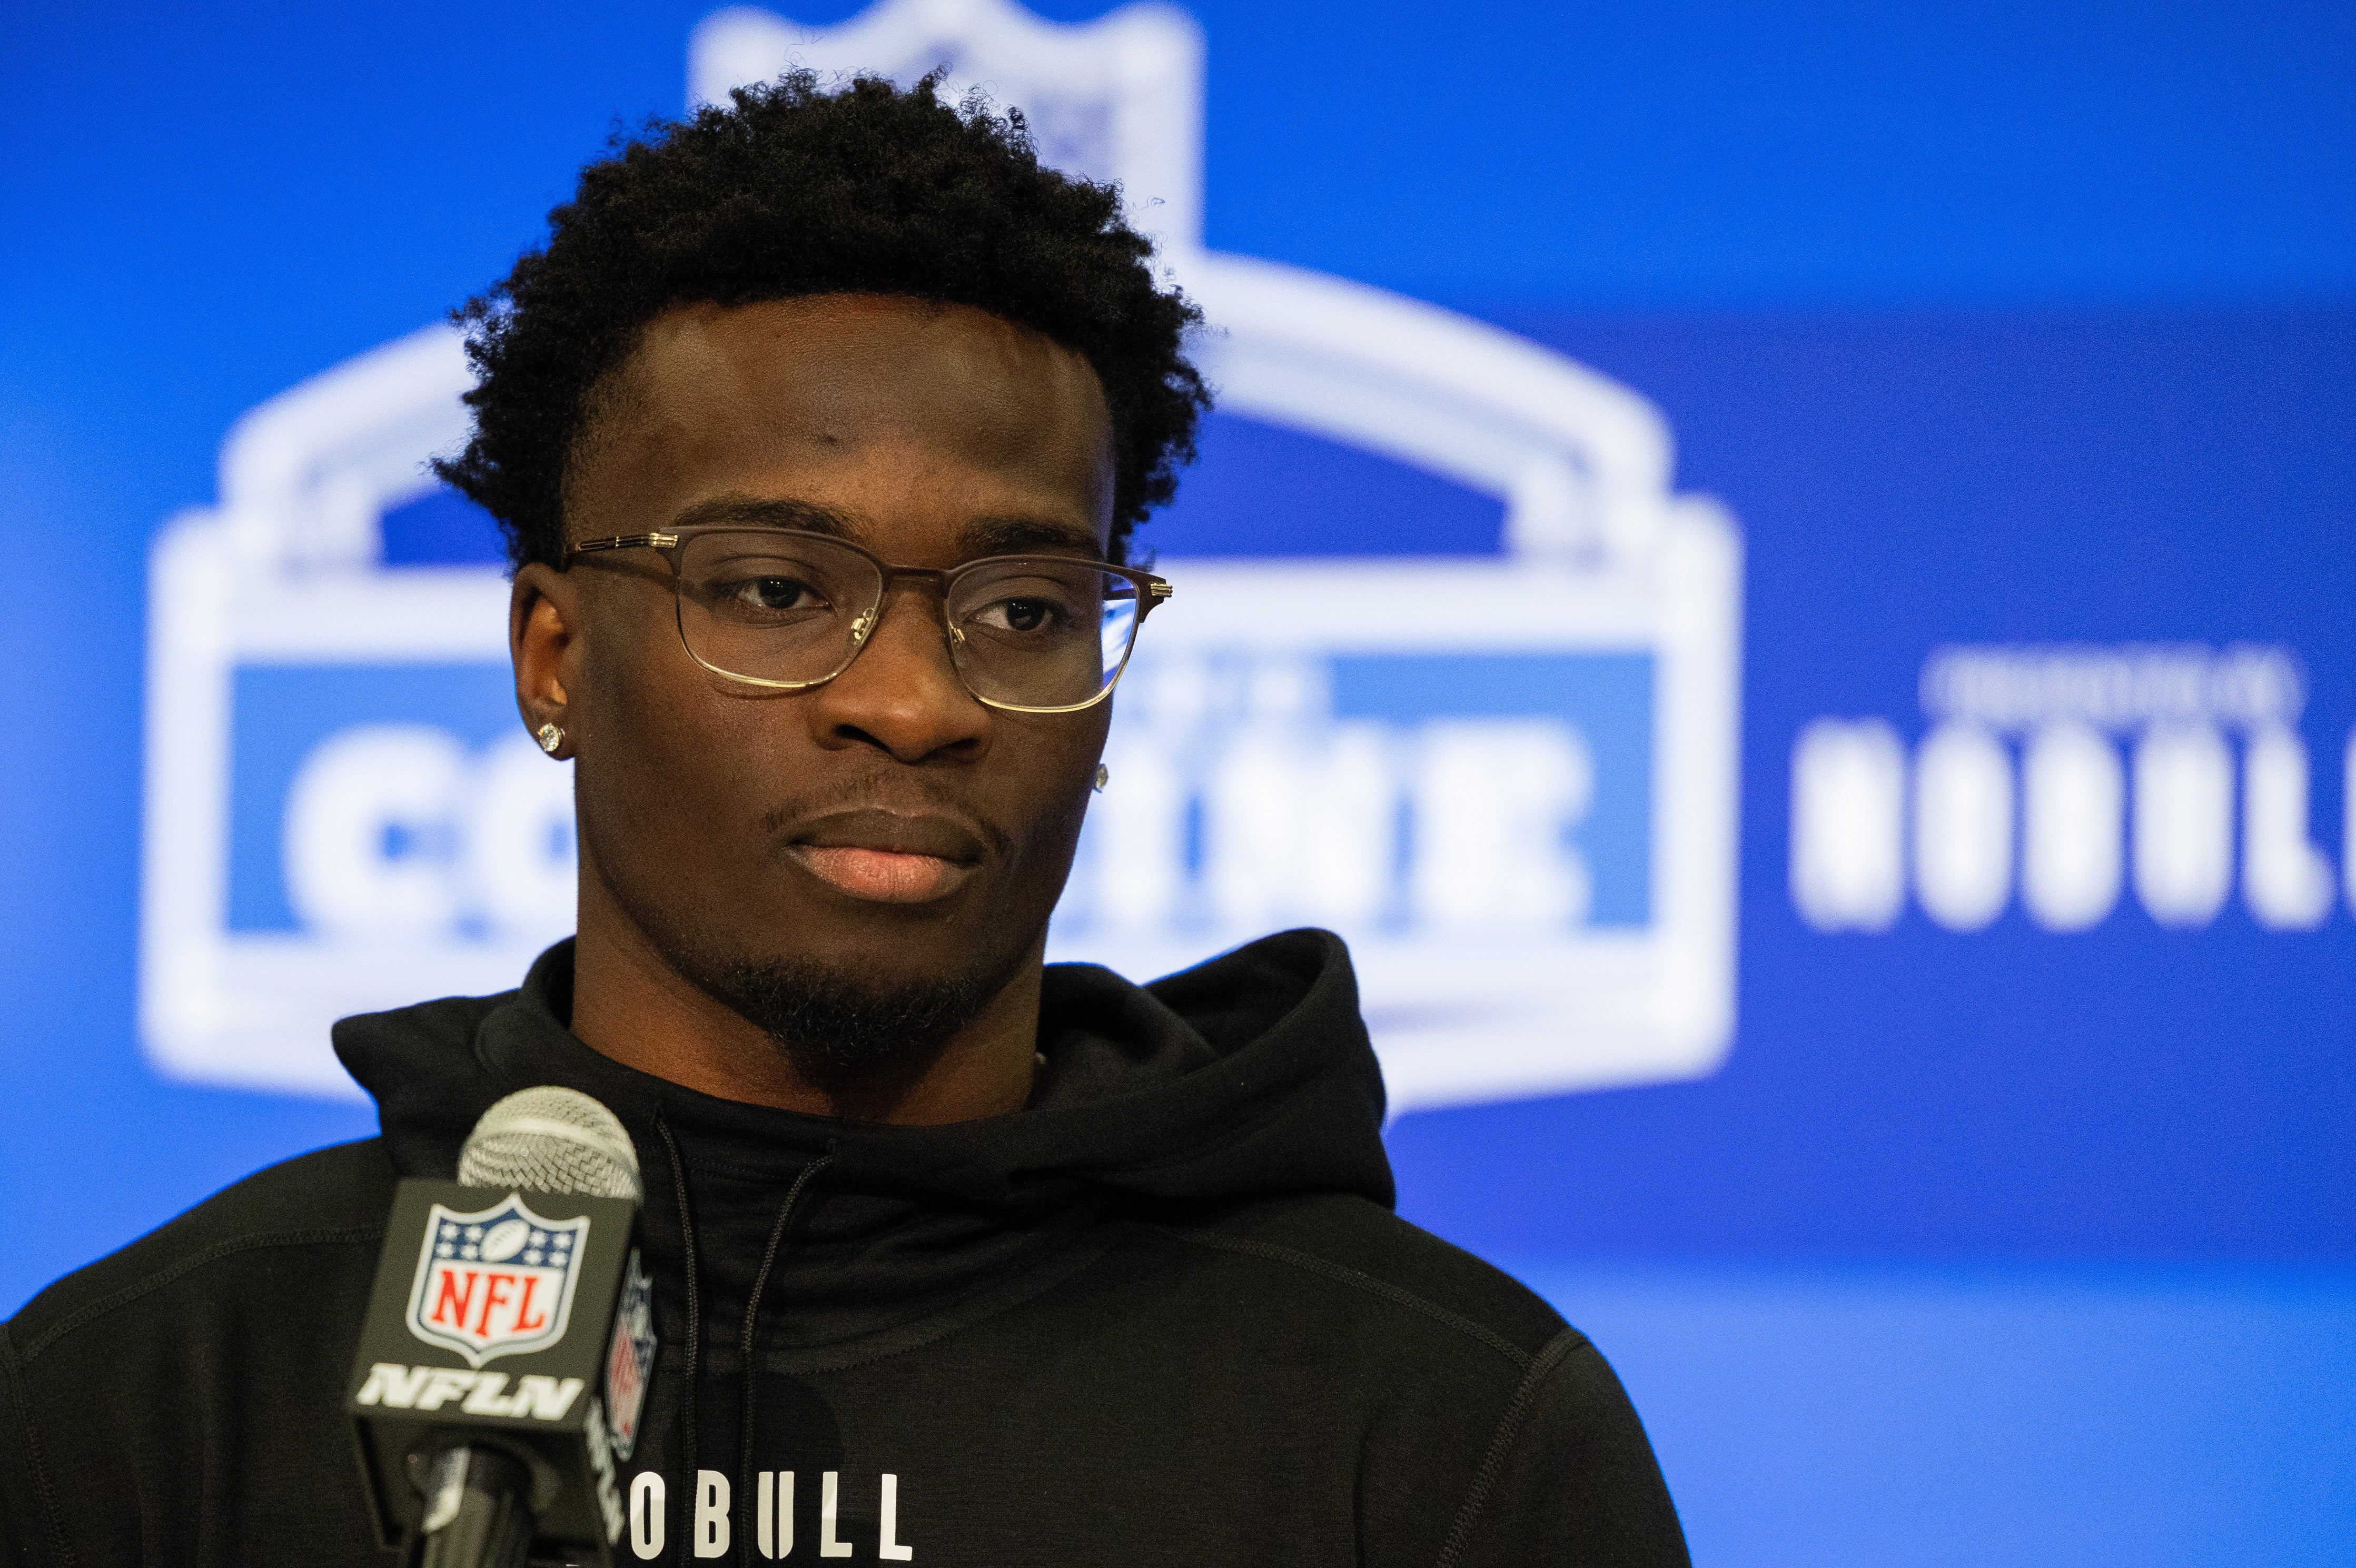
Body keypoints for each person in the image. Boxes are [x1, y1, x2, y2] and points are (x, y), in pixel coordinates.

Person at [0, 75, 1687, 1567]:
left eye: (1024, 607)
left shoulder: (1435, 1429)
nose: (916, 699)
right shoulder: (153, 1404)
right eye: (775, 587)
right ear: (554, 655)